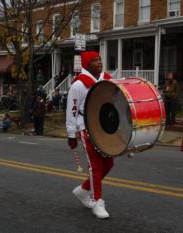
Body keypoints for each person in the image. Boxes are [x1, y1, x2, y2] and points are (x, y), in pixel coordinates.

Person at [66, 51, 113, 219]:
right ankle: (96, 201)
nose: (99, 62)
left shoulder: (107, 79)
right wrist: (72, 134)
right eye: (95, 60)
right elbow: (72, 109)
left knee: (108, 164)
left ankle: (83, 189)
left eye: (100, 59)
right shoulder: (78, 85)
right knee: (96, 165)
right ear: (87, 65)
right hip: (86, 125)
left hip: (104, 126)